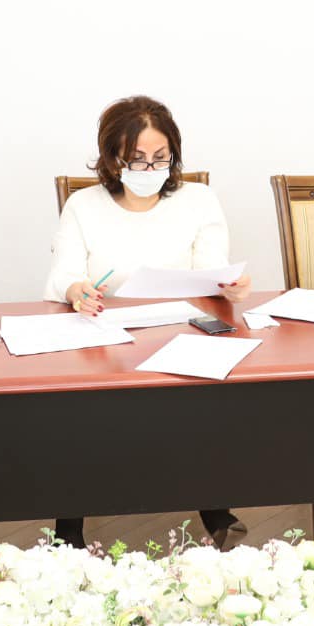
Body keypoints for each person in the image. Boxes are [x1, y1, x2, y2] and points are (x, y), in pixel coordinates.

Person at [43, 95, 251, 550]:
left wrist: (229, 286)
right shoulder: (84, 204)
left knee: (206, 401)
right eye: (136, 159)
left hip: (181, 336)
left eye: (160, 157)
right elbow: (65, 273)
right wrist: (77, 290)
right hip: (105, 341)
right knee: (75, 409)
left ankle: (215, 507)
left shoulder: (198, 200)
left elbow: (212, 272)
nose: (150, 168)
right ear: (111, 158)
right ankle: (69, 528)